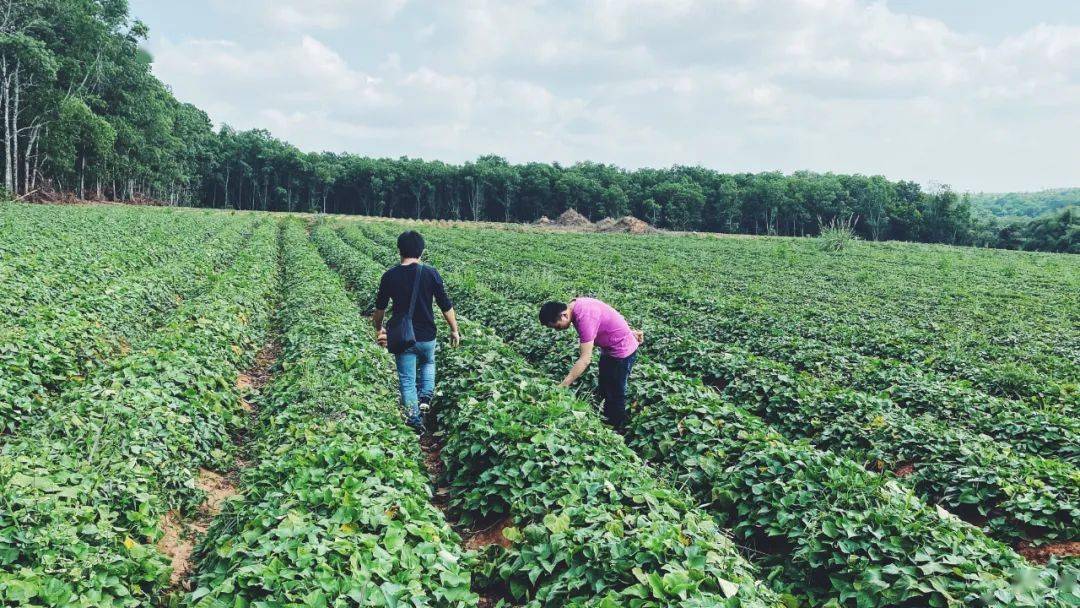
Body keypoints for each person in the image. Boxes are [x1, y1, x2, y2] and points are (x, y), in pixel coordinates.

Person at [373, 230, 461, 431]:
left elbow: (379, 309)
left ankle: (414, 421)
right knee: (429, 362)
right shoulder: (430, 273)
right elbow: (445, 305)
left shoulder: (390, 276)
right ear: (421, 251)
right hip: (427, 334)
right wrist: (454, 329)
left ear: (399, 251)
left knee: (406, 379)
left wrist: (379, 329)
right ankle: (426, 397)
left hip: (402, 337)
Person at [539, 298, 643, 429]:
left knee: (615, 392)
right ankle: (604, 419)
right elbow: (607, 313)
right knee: (604, 386)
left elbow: (585, 359)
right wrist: (626, 331)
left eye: (557, 326)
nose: (557, 330)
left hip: (622, 352)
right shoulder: (575, 305)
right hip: (609, 349)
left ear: (564, 315)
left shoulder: (584, 317)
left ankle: (615, 430)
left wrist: (563, 385)